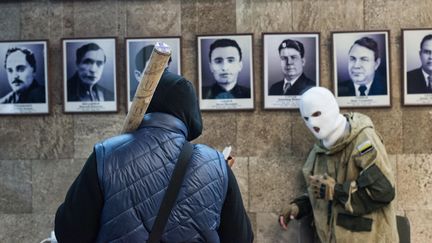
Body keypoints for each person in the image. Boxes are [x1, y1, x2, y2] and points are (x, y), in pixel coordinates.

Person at [55, 69, 254, 243]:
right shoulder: (216, 164)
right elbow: (241, 238)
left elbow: (70, 234)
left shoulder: (106, 154)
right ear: (191, 111)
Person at [279, 87, 399, 242]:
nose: (312, 123)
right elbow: (319, 192)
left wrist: (336, 191)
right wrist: (297, 207)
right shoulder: (319, 152)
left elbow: (383, 191)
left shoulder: (363, 141)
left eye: (316, 114)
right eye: (306, 118)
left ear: (332, 109)